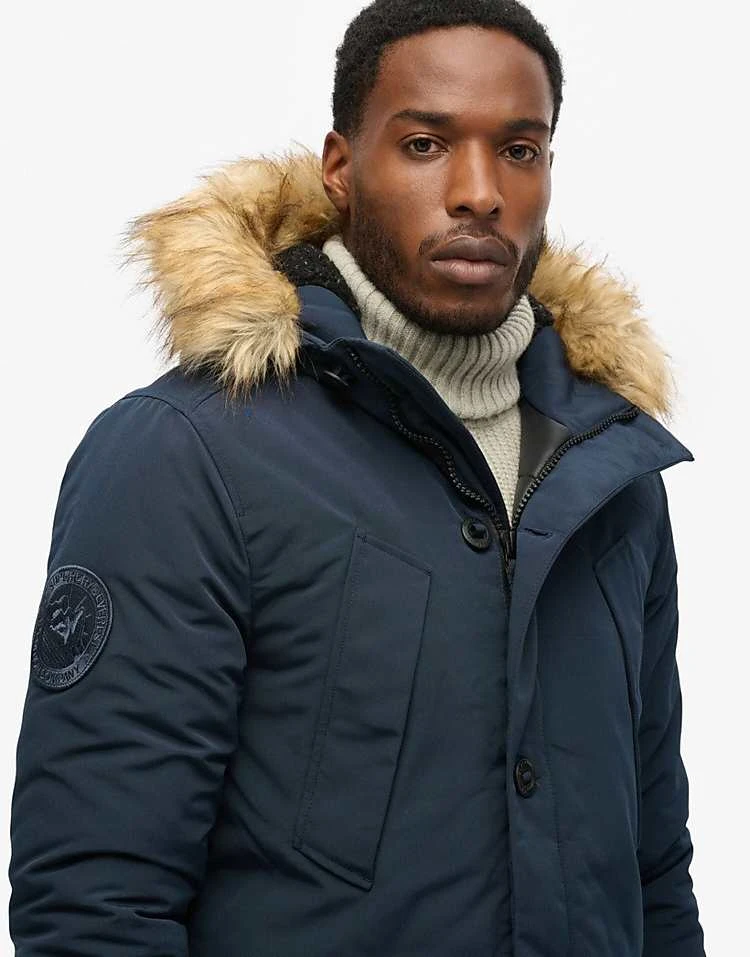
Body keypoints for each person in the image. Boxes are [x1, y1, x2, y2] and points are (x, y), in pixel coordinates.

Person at [8, 1, 706, 954]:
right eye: (425, 145)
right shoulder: (188, 454)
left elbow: (656, 871)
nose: (479, 193)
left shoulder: (610, 474)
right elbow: (96, 903)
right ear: (341, 169)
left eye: (519, 150)